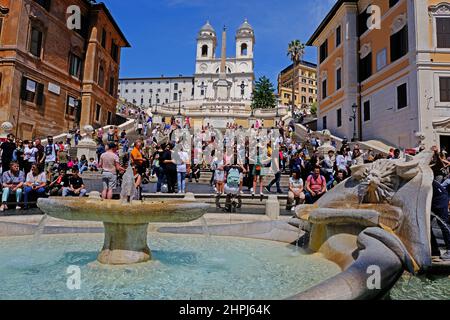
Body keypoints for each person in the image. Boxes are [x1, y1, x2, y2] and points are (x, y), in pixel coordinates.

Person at [430, 180, 450, 261]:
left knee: (443, 224)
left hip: (440, 199)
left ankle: (449, 250)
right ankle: (434, 250)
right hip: (434, 199)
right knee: (426, 225)